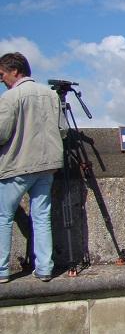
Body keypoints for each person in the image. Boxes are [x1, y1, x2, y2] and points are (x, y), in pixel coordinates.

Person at [0, 53, 64, 283]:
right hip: (47, 165)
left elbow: (1, 134)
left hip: (17, 165)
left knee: (3, 217)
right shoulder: (51, 96)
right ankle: (45, 268)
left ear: (15, 72)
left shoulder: (10, 97)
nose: (2, 80)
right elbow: (62, 131)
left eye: (2, 74)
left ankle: (2, 270)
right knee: (41, 217)